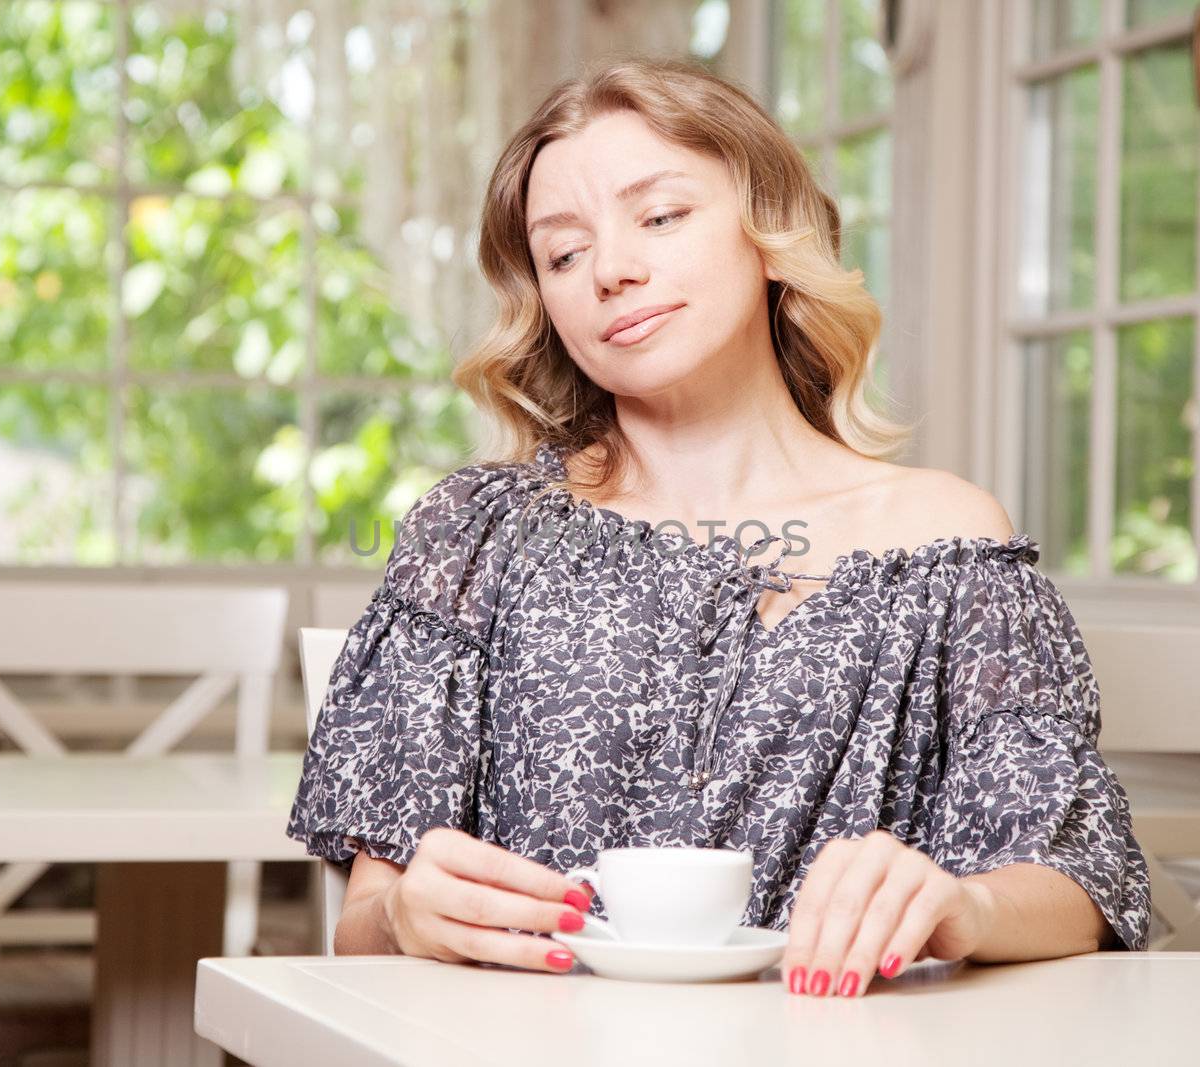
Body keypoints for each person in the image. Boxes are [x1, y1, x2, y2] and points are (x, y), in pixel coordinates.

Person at [287, 56, 1151, 1000]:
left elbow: (1078, 876)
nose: (613, 270)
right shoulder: (474, 534)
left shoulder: (945, 539)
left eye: (660, 216)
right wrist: (406, 911)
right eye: (565, 254)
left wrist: (963, 906)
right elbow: (364, 924)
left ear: (767, 229)